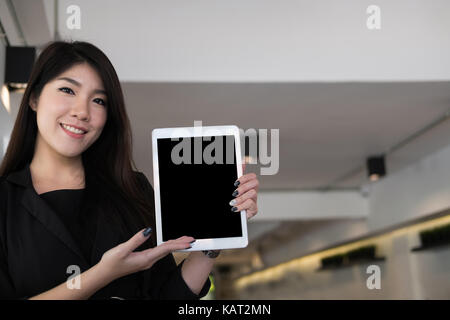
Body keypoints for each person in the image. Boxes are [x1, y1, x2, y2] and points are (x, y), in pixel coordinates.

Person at [0, 41, 259, 300]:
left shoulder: (131, 190)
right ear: (33, 97)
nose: (82, 112)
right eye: (67, 90)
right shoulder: (5, 202)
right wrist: (103, 273)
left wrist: (216, 238)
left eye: (99, 100)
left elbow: (166, 296)